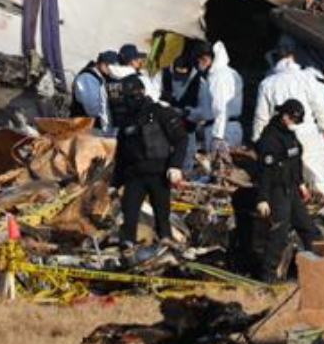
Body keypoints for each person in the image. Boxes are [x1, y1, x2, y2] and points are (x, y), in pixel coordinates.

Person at [112, 76, 188, 251]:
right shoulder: (126, 121)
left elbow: (181, 139)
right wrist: (115, 183)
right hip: (134, 175)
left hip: (159, 172)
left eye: (131, 96)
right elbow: (121, 155)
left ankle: (166, 239)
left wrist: (175, 166)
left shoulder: (160, 113)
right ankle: (127, 245)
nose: (128, 101)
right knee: (129, 212)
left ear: (142, 93)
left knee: (162, 212)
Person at [254, 99, 321, 282]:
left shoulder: (289, 135)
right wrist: (263, 199)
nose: (294, 123)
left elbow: (295, 160)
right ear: (284, 116)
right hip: (276, 191)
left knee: (307, 228)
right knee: (279, 234)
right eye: (293, 119)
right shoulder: (270, 138)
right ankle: (268, 274)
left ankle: (313, 268)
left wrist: (300, 183)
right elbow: (264, 172)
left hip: (291, 188)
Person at [253, 44, 324, 196]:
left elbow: (261, 116)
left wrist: (258, 140)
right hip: (308, 132)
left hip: (282, 136)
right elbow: (319, 105)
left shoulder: (267, 83)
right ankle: (322, 203)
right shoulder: (306, 78)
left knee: (287, 175)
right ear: (292, 58)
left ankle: (295, 206)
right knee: (316, 172)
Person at [186, 41, 244, 155]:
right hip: (230, 128)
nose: (199, 63)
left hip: (222, 131)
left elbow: (220, 107)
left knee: (219, 169)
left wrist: (218, 137)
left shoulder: (218, 76)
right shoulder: (230, 72)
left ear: (207, 58)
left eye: (200, 60)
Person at [72, 50, 119, 133]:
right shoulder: (87, 78)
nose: (112, 70)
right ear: (101, 64)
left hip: (98, 126)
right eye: (110, 66)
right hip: (87, 128)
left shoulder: (103, 76)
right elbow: (93, 109)